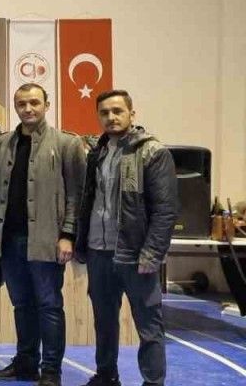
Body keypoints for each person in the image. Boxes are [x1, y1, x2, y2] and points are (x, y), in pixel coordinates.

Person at [75, 90, 177, 386]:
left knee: (148, 325)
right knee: (104, 322)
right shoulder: (97, 153)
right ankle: (106, 375)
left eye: (118, 111)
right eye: (104, 112)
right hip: (98, 251)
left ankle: (153, 382)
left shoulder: (153, 152)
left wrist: (152, 253)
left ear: (132, 114)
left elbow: (165, 210)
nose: (111, 117)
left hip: (136, 254)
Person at [0, 83, 86, 386]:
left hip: (47, 239)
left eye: (34, 102)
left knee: (49, 305)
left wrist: (68, 234)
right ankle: (26, 362)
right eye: (22, 103)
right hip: (9, 240)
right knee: (21, 305)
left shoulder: (67, 144)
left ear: (47, 105)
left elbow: (77, 195)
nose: (28, 108)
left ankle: (51, 370)